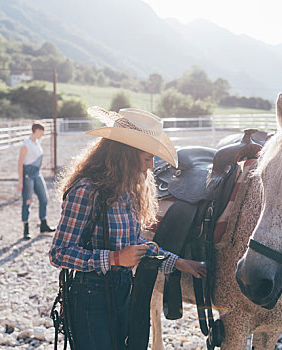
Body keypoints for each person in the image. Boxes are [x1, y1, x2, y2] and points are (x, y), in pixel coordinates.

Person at [49, 107, 206, 349]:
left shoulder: (126, 192)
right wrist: (113, 258)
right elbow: (59, 253)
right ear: (126, 155)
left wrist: (178, 263)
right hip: (91, 297)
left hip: (123, 289)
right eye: (147, 158)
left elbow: (136, 246)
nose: (152, 166)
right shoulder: (86, 191)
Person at [17, 123, 55, 240]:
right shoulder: (26, 144)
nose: (43, 134)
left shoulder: (37, 143)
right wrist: (20, 181)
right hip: (28, 174)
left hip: (37, 173)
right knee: (28, 200)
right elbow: (20, 163)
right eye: (42, 131)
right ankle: (26, 229)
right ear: (37, 131)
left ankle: (43, 224)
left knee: (44, 198)